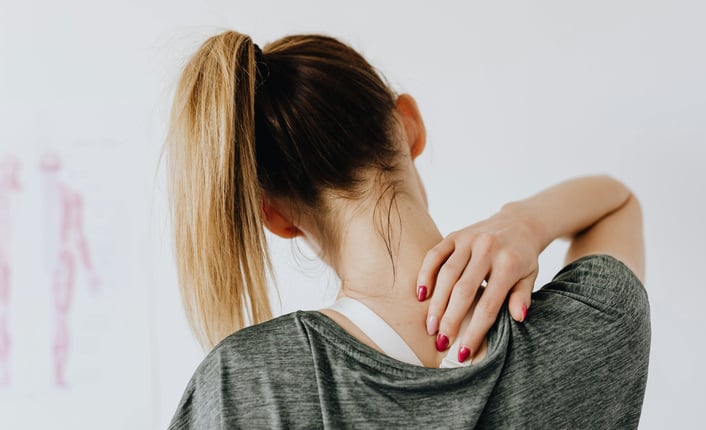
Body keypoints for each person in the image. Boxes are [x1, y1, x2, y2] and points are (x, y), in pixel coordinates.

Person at [166, 30, 650, 429]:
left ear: (275, 216)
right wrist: (526, 222)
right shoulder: (592, 326)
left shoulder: (250, 384)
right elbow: (617, 202)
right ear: (409, 124)